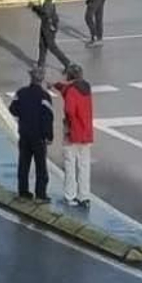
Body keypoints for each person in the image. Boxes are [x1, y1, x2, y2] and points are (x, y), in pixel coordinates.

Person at [8, 68, 54, 202]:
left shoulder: (21, 93)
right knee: (41, 166)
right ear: (42, 79)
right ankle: (40, 194)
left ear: (31, 78)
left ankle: (23, 192)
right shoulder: (45, 96)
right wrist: (49, 136)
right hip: (38, 136)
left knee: (24, 164)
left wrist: (22, 116)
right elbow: (48, 118)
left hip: (24, 134)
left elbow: (12, 109)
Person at [52, 64, 94, 208]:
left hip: (73, 132)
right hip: (86, 132)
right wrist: (56, 85)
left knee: (70, 164)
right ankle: (85, 196)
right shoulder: (87, 88)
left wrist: (68, 125)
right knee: (84, 165)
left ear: (69, 76)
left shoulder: (70, 91)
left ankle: (70, 195)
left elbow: (69, 109)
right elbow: (64, 88)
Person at [29, 0, 72, 70]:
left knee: (51, 46)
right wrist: (35, 8)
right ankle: (41, 64)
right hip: (45, 21)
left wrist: (34, 7)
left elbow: (46, 11)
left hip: (49, 23)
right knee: (42, 44)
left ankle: (67, 63)